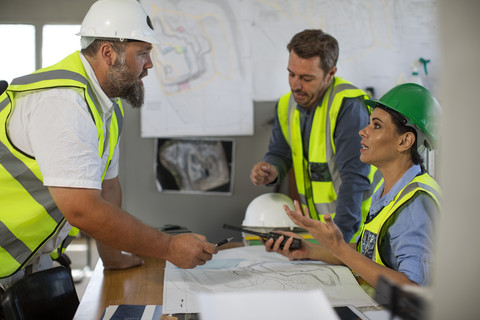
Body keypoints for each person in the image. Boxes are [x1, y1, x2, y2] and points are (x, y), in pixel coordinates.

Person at [0, 0, 217, 291]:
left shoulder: (106, 107)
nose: (150, 64)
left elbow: (108, 188)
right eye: (142, 53)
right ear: (108, 53)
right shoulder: (64, 102)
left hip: (27, 263)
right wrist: (168, 247)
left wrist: (113, 257)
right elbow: (83, 210)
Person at [264, 83, 441, 287]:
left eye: (376, 125)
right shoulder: (388, 190)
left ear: (405, 141)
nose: (362, 131)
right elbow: (369, 254)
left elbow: (413, 288)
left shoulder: (415, 203)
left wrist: (339, 247)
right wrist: (308, 249)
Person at [250, 29, 380, 243]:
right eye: (291, 74)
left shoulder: (349, 107)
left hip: (356, 232)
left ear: (330, 73)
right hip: (320, 232)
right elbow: (279, 152)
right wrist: (271, 169)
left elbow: (354, 180)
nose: (295, 85)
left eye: (306, 78)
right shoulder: (286, 105)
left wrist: (339, 242)